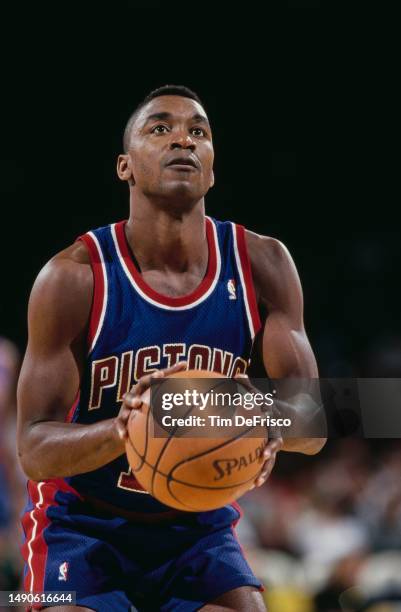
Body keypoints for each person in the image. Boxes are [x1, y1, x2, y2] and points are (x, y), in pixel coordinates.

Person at [17, 85, 326, 611]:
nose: (183, 138)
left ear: (211, 169)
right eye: (160, 128)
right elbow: (33, 448)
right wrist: (125, 430)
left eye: (198, 131)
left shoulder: (264, 265)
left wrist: (257, 417)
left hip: (197, 524)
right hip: (81, 522)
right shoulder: (72, 278)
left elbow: (312, 422)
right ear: (124, 167)